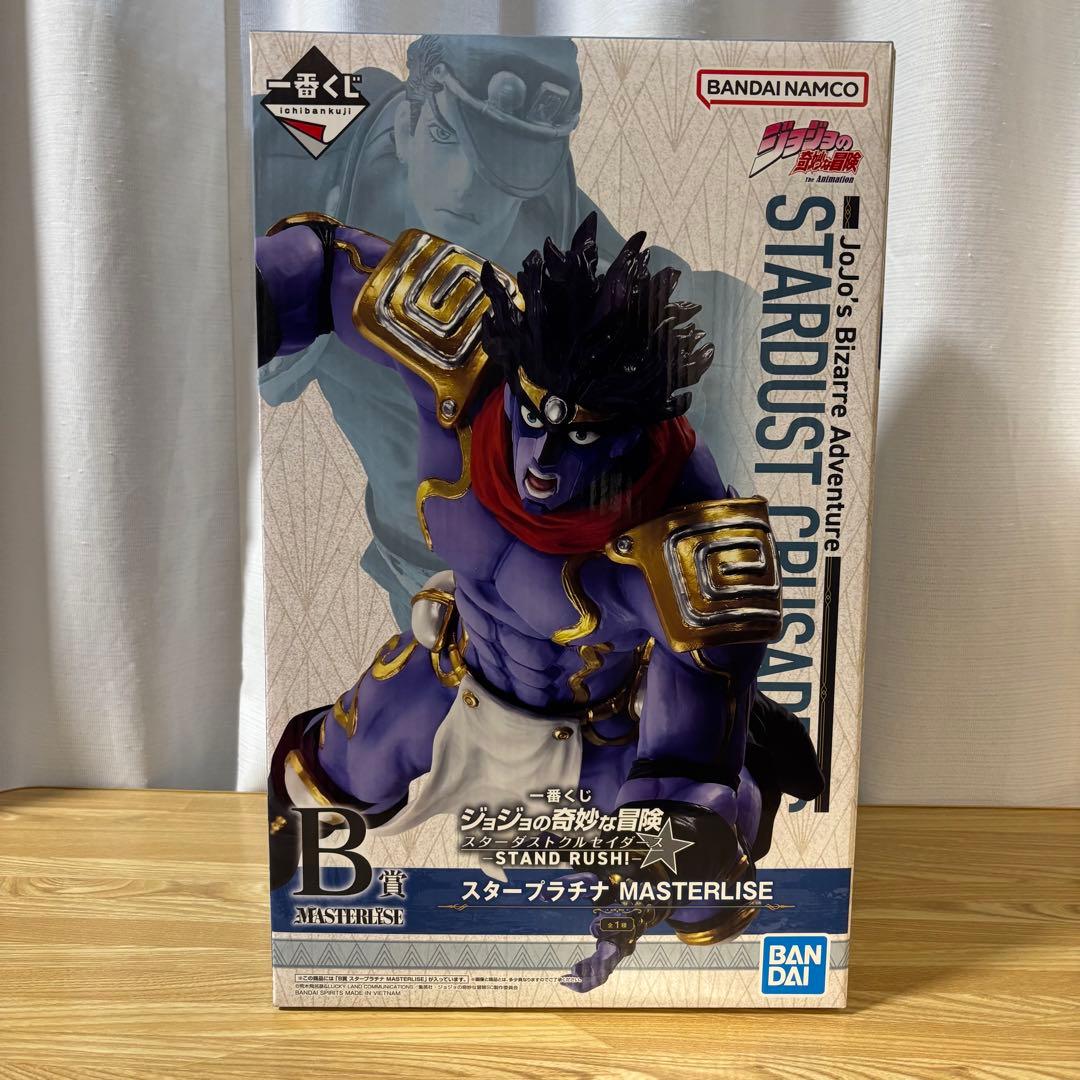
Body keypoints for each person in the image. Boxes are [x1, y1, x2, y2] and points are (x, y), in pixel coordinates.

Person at [256, 211, 821, 992]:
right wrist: (250, 299)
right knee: (330, 778)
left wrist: (635, 897)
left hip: (597, 729)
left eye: (581, 436)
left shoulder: (690, 537)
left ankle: (748, 791)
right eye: (534, 417)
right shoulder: (468, 364)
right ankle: (286, 928)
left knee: (698, 886)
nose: (542, 459)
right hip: (458, 663)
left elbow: (680, 769)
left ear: (632, 432)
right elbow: (323, 268)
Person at [254, 35, 757, 627]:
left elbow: (661, 308)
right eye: (445, 136)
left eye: (503, 166)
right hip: (421, 559)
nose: (465, 185)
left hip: (543, 562)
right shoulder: (307, 131)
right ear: (407, 127)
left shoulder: (548, 213)